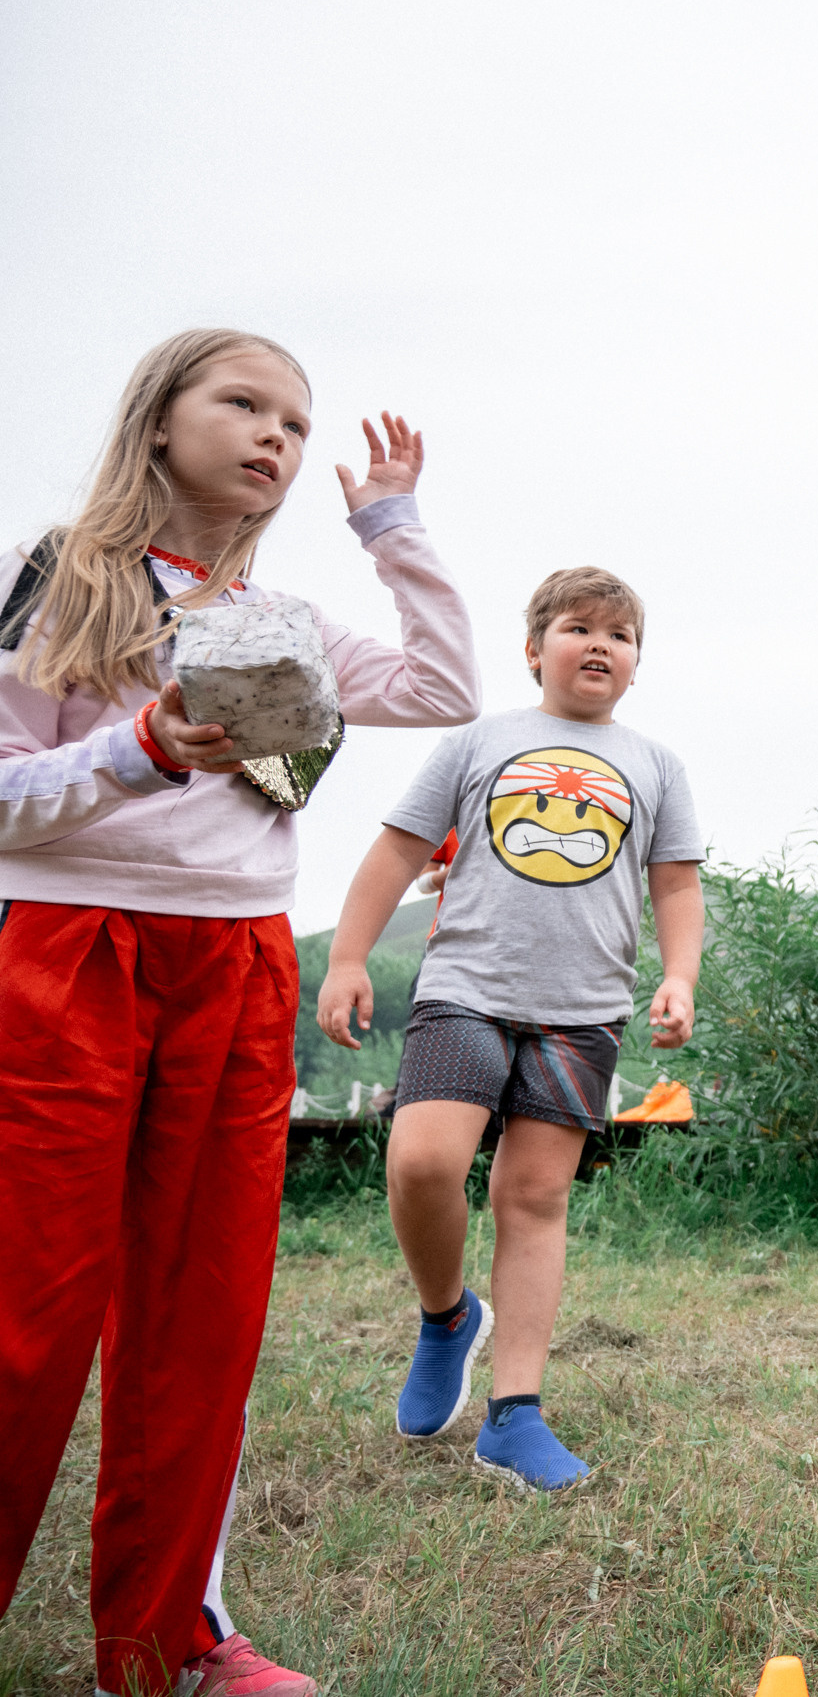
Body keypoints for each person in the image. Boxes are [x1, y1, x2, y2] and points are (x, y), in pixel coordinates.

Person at [0, 329, 480, 1697]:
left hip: (236, 964)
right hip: (68, 954)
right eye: (243, 402)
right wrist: (135, 750)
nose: (275, 433)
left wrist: (394, 528)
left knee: (200, 1315)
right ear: (160, 419)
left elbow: (442, 688)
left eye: (295, 418)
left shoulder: (279, 624)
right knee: (23, 1318)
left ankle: (165, 1646)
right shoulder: (52, 577)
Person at [317, 565, 704, 1492]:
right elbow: (400, 847)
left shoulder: (657, 764)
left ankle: (513, 1415)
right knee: (421, 1162)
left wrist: (680, 976)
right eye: (578, 627)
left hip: (585, 1010)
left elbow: (678, 882)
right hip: (468, 988)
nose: (600, 644)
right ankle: (447, 1314)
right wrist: (346, 956)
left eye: (621, 634)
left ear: (638, 664)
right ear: (535, 650)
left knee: (534, 1198)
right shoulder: (481, 740)